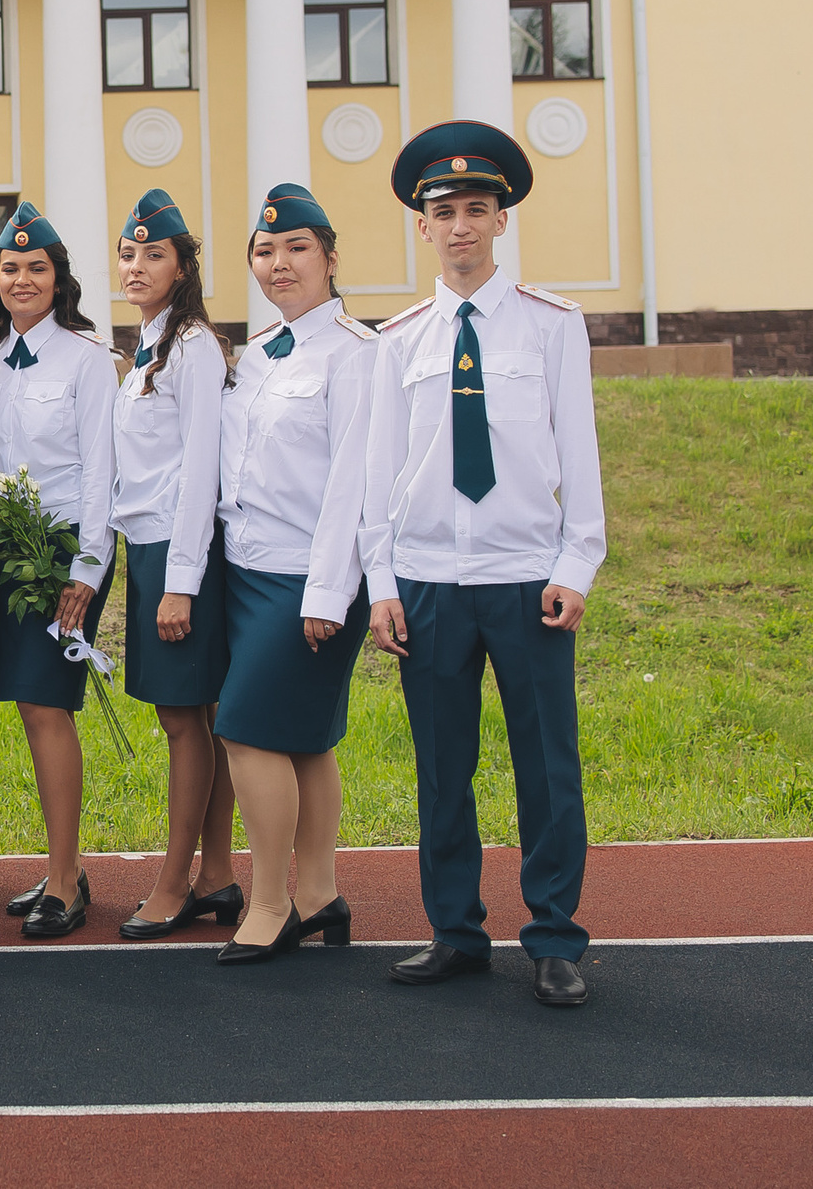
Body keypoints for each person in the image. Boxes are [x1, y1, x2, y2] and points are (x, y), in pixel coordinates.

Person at [364, 122, 605, 1008]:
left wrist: (577, 563)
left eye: (476, 209)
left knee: (546, 762)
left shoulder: (551, 327)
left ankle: (552, 936)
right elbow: (378, 477)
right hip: (430, 581)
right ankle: (455, 930)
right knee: (442, 766)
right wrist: (382, 584)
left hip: (524, 575)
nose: (460, 225)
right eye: (443, 212)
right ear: (421, 226)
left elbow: (577, 456)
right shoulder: (399, 340)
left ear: (501, 221)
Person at [212, 184, 374, 965]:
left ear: (331, 258)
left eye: (297, 248)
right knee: (305, 741)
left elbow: (354, 481)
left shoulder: (356, 352)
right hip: (246, 570)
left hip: (307, 574)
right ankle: (320, 893)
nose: (279, 264)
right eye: (265, 252)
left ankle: (270, 900)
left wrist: (327, 589)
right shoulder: (259, 352)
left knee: (243, 729)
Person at [0, 201, 118, 939]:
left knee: (47, 705)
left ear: (59, 280)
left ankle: (67, 879)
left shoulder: (88, 360)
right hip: (11, 549)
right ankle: (60, 862)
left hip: (67, 551)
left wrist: (88, 569)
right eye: (11, 267)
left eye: (37, 267)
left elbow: (102, 471)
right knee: (33, 707)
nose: (23, 278)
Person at [111, 189, 241, 939]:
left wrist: (180, 584)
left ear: (183, 265)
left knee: (183, 723)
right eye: (128, 253)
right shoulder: (154, 346)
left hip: (177, 552)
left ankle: (172, 882)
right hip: (152, 548)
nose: (136, 265)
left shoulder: (191, 347)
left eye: (153, 253)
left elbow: (201, 469)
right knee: (202, 723)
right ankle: (217, 873)